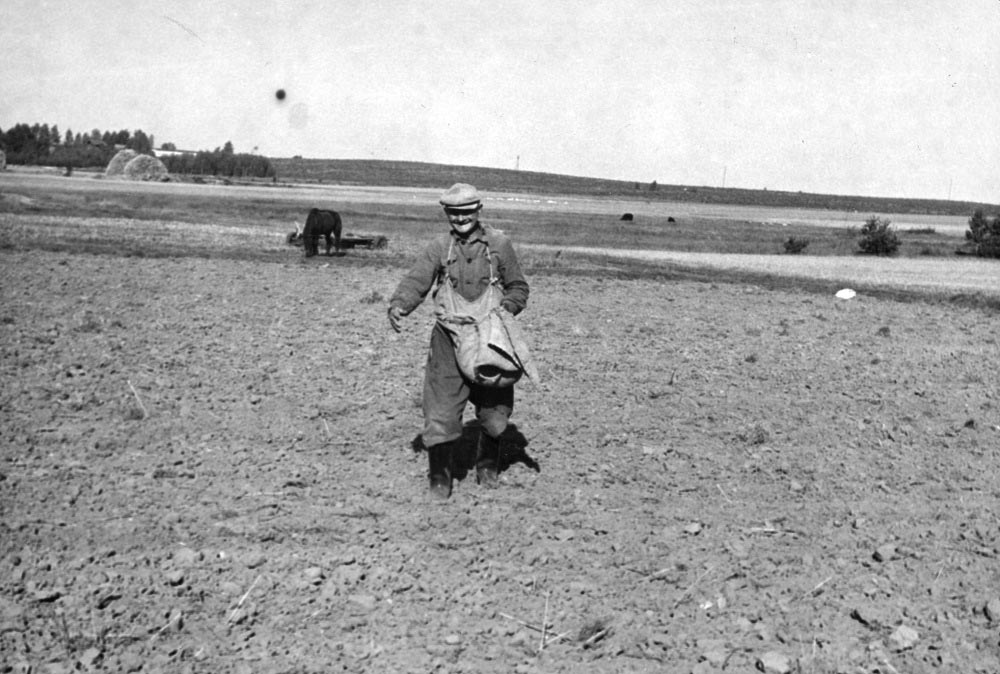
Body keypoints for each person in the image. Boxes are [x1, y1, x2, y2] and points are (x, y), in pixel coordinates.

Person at [388, 183, 530, 500]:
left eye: (466, 212)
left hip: (491, 339)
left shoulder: (499, 244)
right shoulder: (440, 247)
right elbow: (417, 280)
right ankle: (440, 478)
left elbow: (519, 287)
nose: (461, 218)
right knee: (440, 407)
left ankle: (487, 464)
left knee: (495, 409)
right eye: (453, 213)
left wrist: (506, 311)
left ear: (478, 210)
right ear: (446, 213)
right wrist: (400, 304)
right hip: (448, 338)